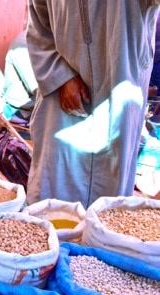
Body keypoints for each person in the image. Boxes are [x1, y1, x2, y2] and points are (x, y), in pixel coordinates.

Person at [26, 1, 160, 208]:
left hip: (120, 95)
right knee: (52, 194)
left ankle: (100, 241)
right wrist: (60, 77)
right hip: (61, 104)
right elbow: (38, 27)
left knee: (109, 204)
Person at [1, 29, 38, 127]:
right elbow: (38, 89)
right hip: (21, 112)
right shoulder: (23, 47)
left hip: (34, 109)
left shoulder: (46, 39)